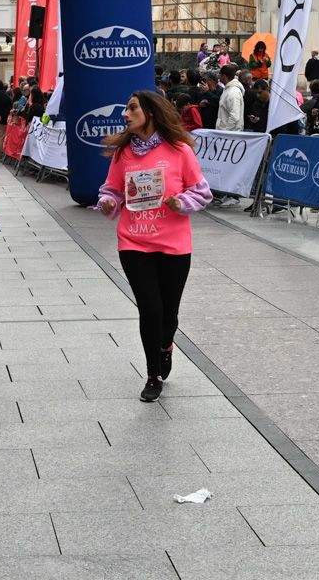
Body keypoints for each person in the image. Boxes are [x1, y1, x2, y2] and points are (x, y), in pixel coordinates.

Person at [95, 91, 211, 403]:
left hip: (174, 243)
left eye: (132, 108)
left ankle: (166, 345)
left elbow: (201, 192)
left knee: (168, 314)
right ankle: (152, 375)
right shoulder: (124, 154)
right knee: (150, 308)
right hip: (134, 241)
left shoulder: (178, 150)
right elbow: (112, 190)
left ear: (150, 111)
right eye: (125, 109)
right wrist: (108, 202)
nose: (125, 114)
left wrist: (181, 201)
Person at [215, 64, 245, 131]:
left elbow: (234, 116)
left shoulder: (233, 92)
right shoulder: (227, 89)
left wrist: (226, 131)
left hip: (229, 135)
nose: (219, 77)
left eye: (220, 75)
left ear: (224, 76)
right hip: (225, 134)